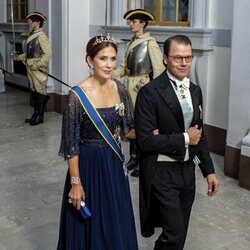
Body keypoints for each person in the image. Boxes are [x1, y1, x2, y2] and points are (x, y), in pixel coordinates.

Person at [135, 35, 220, 250]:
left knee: (179, 233)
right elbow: (144, 141)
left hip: (187, 171)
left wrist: (208, 170)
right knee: (174, 234)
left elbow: (199, 134)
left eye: (188, 58)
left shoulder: (195, 90)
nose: (184, 63)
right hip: (162, 172)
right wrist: (184, 138)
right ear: (165, 59)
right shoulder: (149, 92)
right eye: (177, 58)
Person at [57, 35, 138, 250]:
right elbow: (71, 144)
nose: (109, 64)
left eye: (113, 58)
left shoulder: (119, 88)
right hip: (88, 166)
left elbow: (128, 130)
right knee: (90, 223)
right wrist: (76, 183)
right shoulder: (77, 96)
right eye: (103, 58)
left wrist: (157, 132)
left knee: (114, 217)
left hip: (113, 163)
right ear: (89, 61)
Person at [112, 9, 165, 177]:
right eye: (130, 21)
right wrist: (107, 74)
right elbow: (122, 69)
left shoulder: (150, 43)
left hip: (142, 86)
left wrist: (154, 93)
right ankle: (134, 157)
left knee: (143, 124)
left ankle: (143, 160)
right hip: (128, 85)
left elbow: (158, 70)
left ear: (143, 24)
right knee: (131, 122)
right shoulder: (129, 44)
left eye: (134, 21)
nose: (130, 24)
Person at [11, 12, 52, 126]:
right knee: (34, 91)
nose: (29, 23)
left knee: (40, 90)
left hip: (37, 70)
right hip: (31, 68)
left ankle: (40, 116)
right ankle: (36, 114)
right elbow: (30, 54)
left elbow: (48, 54)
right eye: (29, 21)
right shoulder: (32, 35)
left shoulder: (41, 37)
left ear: (37, 23)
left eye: (31, 21)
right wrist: (17, 57)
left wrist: (37, 65)